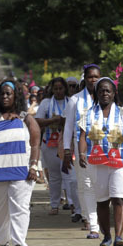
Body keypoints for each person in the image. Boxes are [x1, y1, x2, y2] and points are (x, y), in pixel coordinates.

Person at [0, 80, 42, 246]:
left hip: (21, 170)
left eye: (9, 93)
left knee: (20, 208)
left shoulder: (26, 118)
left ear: (16, 95)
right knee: (0, 209)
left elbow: (35, 143)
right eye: (2, 94)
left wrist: (34, 166)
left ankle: (19, 244)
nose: (5, 96)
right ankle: (2, 242)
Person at [78, 77, 123, 246]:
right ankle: (106, 235)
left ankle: (119, 236)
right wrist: (82, 153)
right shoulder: (88, 114)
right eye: (101, 90)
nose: (105, 93)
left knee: (118, 198)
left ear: (114, 93)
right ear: (97, 93)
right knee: (102, 201)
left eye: (108, 90)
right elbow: (82, 136)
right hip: (97, 162)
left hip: (119, 161)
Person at [62, 64, 102, 237]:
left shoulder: (107, 96)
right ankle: (91, 222)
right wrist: (65, 150)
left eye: (96, 77)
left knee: (100, 185)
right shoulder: (75, 100)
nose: (93, 80)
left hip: (104, 149)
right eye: (90, 77)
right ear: (85, 79)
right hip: (82, 149)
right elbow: (68, 127)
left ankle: (97, 217)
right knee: (85, 185)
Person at [35, 77, 81, 221]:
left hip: (67, 144)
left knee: (70, 176)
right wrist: (53, 121)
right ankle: (54, 204)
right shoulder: (46, 103)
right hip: (49, 144)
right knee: (54, 176)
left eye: (61, 88)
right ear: (51, 89)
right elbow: (37, 121)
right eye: (56, 89)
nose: (59, 91)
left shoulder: (72, 102)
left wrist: (63, 122)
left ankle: (73, 204)